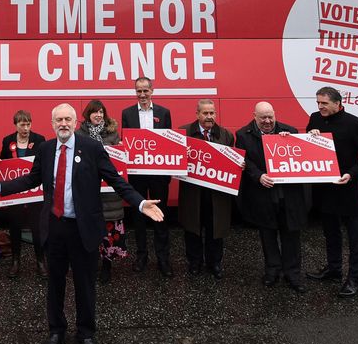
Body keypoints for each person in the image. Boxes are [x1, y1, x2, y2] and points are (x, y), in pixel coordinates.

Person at [0, 103, 164, 344]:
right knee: (55, 283)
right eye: (58, 120)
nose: (63, 123)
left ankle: (86, 334)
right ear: (52, 123)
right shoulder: (45, 149)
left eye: (67, 119)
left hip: (83, 228)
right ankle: (56, 330)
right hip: (54, 227)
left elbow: (116, 180)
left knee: (85, 285)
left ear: (75, 123)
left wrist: (141, 203)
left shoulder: (92, 148)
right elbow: (32, 179)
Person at [306, 87, 358, 297]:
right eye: (318, 103)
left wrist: (351, 174)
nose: (320, 107)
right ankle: (334, 269)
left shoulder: (356, 124)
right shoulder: (315, 118)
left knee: (355, 236)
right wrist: (311, 135)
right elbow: (310, 147)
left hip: (347, 189)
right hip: (325, 189)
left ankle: (354, 279)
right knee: (330, 232)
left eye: (324, 103)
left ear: (338, 103)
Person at [235, 102, 308, 293]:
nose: (267, 121)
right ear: (254, 116)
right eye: (263, 118)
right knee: (267, 235)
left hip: (288, 195)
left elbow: (304, 154)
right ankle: (272, 271)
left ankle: (293, 274)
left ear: (275, 114)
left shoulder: (289, 131)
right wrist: (258, 175)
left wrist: (291, 140)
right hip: (263, 193)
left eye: (270, 117)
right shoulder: (243, 135)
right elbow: (244, 161)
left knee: (291, 235)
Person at [121, 76, 174, 277]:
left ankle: (163, 259)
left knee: (161, 216)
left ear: (152, 91)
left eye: (145, 90)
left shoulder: (163, 113)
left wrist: (168, 171)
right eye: (138, 91)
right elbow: (127, 143)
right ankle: (141, 257)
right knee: (139, 216)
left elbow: (170, 142)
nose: (142, 94)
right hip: (137, 174)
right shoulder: (127, 113)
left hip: (159, 174)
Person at [178, 99, 235, 280]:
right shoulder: (184, 132)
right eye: (205, 113)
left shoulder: (226, 135)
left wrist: (237, 164)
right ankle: (194, 262)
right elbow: (174, 161)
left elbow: (231, 161)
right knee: (192, 228)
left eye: (212, 113)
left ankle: (214, 263)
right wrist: (181, 155)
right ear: (197, 114)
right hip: (192, 193)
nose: (209, 117)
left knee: (215, 229)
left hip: (216, 194)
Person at [78, 100, 126, 285]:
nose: (98, 115)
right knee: (90, 230)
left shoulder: (112, 134)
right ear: (87, 115)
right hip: (89, 191)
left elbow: (119, 161)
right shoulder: (78, 135)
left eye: (101, 112)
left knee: (109, 231)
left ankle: (107, 266)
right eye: (94, 112)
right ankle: (91, 264)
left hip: (109, 192)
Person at [0, 110, 47, 279]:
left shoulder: (39, 140)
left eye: (28, 124)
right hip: (15, 193)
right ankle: (15, 261)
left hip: (35, 192)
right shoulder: (7, 141)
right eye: (22, 124)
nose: (25, 128)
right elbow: (2, 162)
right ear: (16, 124)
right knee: (15, 227)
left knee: (37, 228)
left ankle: (41, 261)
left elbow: (45, 162)